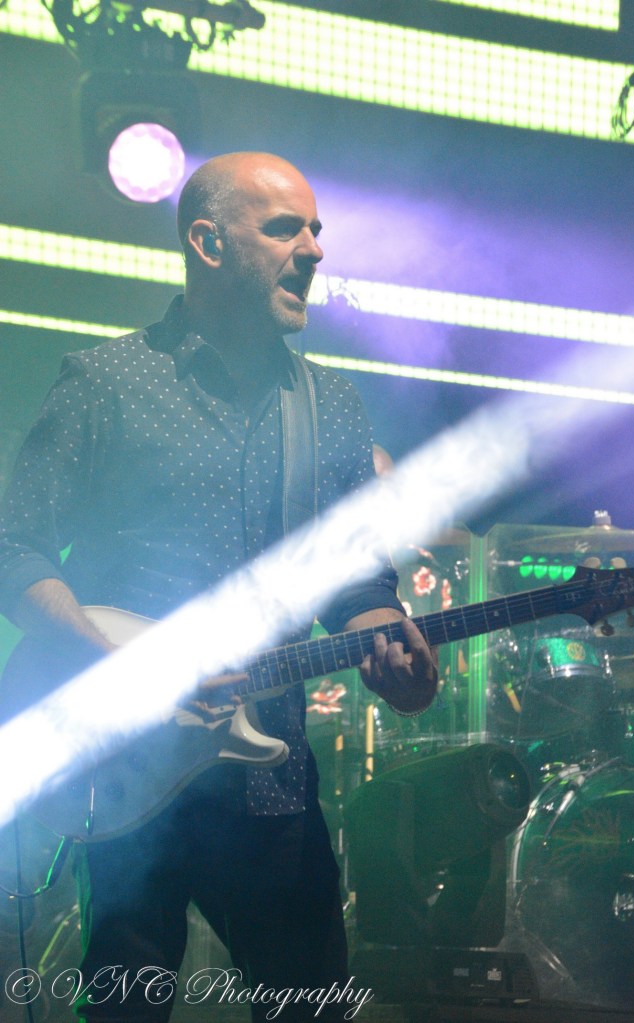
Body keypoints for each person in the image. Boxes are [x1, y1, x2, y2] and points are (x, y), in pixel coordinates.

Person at [0, 152, 437, 1021]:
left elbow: (357, 582)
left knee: (311, 1003)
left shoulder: (331, 407)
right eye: (284, 228)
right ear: (207, 241)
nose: (313, 249)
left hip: (271, 777)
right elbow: (17, 549)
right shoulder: (108, 382)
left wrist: (393, 644)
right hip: (130, 773)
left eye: (317, 230)